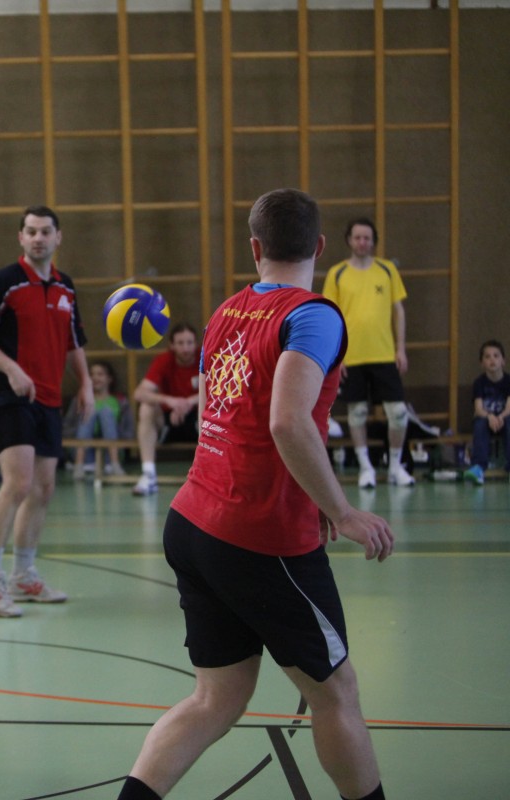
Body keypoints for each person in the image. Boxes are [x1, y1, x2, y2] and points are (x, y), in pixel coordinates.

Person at [116, 189, 394, 800]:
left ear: (254, 247)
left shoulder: (225, 312)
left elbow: (223, 419)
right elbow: (287, 421)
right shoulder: (314, 316)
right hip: (260, 538)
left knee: (215, 697)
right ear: (320, 246)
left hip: (193, 520)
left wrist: (311, 494)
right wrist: (341, 510)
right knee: (336, 692)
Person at [0, 205, 94, 618]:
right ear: (21, 237)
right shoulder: (4, 282)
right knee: (18, 484)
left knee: (43, 488)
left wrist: (86, 384)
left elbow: (74, 342)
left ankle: (24, 574)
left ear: (58, 237)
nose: (38, 238)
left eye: (45, 231)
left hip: (50, 399)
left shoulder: (66, 287)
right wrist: (12, 369)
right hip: (11, 394)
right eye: (31, 231)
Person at [323, 218, 416, 488]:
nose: (362, 242)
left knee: (398, 413)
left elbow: (398, 311)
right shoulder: (337, 273)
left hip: (384, 355)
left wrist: (400, 348)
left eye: (367, 238)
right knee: (357, 414)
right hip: (352, 358)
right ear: (349, 240)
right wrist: (337, 356)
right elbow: (331, 317)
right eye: (357, 237)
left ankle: (396, 466)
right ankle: (366, 468)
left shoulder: (387, 270)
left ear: (373, 241)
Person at [131, 324, 201, 496]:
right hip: (168, 423)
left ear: (196, 344)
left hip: (198, 422)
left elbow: (220, 391)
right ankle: (149, 475)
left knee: (209, 409)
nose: (185, 348)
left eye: (189, 343)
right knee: (146, 407)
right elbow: (139, 393)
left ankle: (208, 475)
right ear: (172, 345)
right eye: (180, 343)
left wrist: (187, 403)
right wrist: (170, 401)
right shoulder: (164, 360)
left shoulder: (205, 358)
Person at [68, 360, 134, 477]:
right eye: (92, 374)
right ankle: (79, 464)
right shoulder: (79, 400)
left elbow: (128, 431)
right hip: (84, 451)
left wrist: (116, 436)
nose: (95, 378)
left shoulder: (120, 401)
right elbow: (67, 427)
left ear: (109, 379)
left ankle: (114, 463)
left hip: (111, 451)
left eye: (100, 374)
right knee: (91, 410)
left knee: (105, 412)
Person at [465, 339, 510, 485]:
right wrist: (490, 417)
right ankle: (478, 468)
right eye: (487, 357)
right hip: (487, 420)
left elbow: (509, 408)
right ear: (482, 363)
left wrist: (500, 417)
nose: (492, 360)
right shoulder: (479, 383)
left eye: (496, 356)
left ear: (503, 361)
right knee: (479, 423)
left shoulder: (508, 381)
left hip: (504, 419)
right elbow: (478, 409)